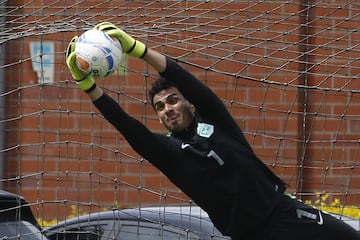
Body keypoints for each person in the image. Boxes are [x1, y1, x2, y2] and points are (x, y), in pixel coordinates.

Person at [65, 22, 360, 240]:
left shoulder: (217, 123)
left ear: (186, 104)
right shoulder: (170, 154)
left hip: (285, 215)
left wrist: (136, 50)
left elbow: (185, 80)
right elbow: (128, 128)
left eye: (172, 100)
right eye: (159, 107)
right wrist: (90, 88)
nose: (167, 108)